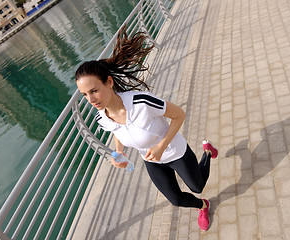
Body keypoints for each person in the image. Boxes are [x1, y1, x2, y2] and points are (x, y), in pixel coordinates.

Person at [75, 26, 218, 232]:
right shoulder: (102, 118)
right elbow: (117, 132)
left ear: (109, 82)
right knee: (176, 200)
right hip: (152, 161)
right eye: (85, 95)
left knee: (197, 186)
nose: (91, 99)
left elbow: (179, 115)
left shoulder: (141, 101)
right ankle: (203, 205)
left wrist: (161, 146)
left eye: (94, 91)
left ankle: (206, 151)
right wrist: (119, 152)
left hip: (174, 151)